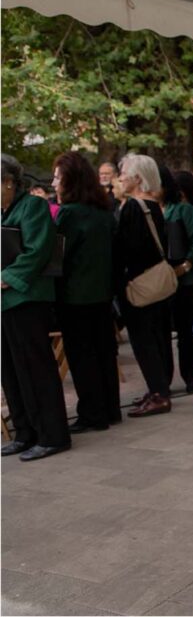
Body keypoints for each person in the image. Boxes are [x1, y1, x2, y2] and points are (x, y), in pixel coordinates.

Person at [1, 154, 72, 460]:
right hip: (5, 303)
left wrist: (5, 278)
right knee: (10, 371)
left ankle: (52, 435)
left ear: (8, 182)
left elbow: (38, 249)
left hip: (27, 299)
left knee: (36, 370)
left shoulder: (32, 205)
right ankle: (24, 432)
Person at [51, 152, 121, 432]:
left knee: (82, 357)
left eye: (58, 177)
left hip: (75, 296)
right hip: (103, 295)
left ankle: (92, 413)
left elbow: (59, 257)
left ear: (70, 180)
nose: (54, 183)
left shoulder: (69, 214)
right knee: (105, 352)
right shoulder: (103, 212)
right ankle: (110, 409)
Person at [115, 154, 175, 418]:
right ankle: (160, 388)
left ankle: (158, 393)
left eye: (124, 174)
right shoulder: (154, 205)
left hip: (139, 284)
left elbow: (128, 250)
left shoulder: (132, 207)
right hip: (157, 281)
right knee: (159, 337)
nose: (120, 179)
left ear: (137, 178)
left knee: (144, 341)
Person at [160, 168, 193, 394]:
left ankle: (190, 375)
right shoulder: (153, 210)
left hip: (187, 280)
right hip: (164, 283)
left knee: (187, 332)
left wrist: (186, 265)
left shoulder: (183, 210)